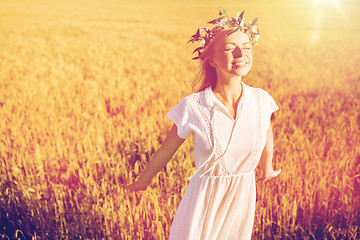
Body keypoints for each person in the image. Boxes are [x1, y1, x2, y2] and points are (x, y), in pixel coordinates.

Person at [122, 9, 281, 240]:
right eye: (230, 49)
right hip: (204, 202)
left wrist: (267, 165)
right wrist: (143, 181)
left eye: (246, 47)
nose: (241, 53)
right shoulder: (194, 106)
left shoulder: (261, 100)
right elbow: (167, 148)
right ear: (211, 59)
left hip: (242, 198)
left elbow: (265, 127)